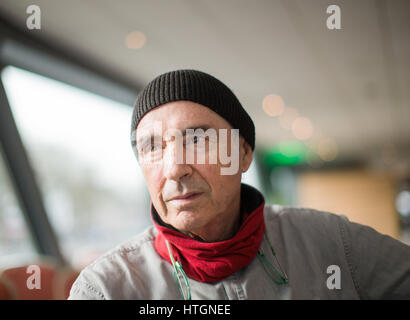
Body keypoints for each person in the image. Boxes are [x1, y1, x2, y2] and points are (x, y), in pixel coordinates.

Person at [68, 69, 410, 300]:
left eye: (198, 139)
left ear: (244, 153)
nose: (174, 170)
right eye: (152, 147)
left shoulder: (329, 242)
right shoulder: (106, 289)